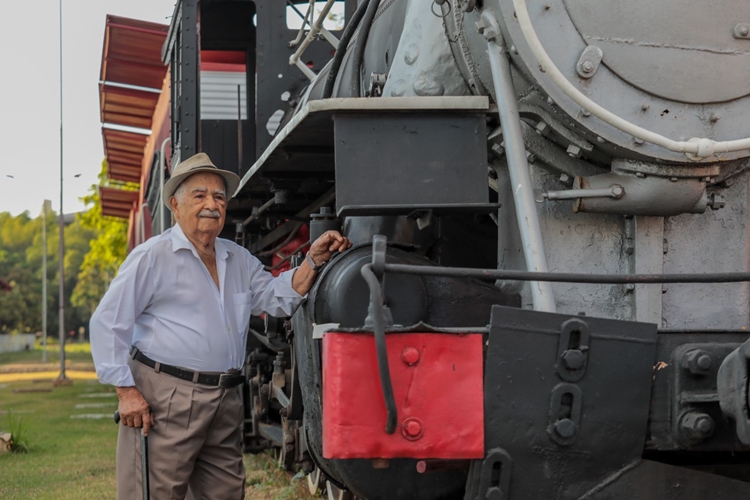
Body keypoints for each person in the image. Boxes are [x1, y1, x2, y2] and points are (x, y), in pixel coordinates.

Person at [90, 152, 351, 499]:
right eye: (199, 195)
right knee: (154, 493)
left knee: (226, 493)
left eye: (218, 197)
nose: (211, 205)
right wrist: (126, 392)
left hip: (225, 399)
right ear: (175, 204)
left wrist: (313, 261)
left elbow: (277, 297)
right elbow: (108, 322)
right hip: (166, 398)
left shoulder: (236, 258)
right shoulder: (153, 256)